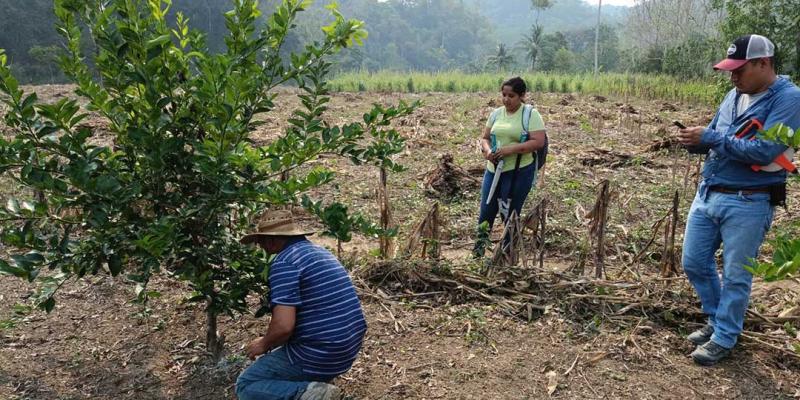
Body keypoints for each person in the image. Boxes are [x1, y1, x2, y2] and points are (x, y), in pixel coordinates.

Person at [676, 34, 800, 366]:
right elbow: (717, 136)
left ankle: (725, 337)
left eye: (739, 69)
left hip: (749, 200)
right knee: (693, 262)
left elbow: (765, 150)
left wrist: (712, 137)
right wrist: (695, 141)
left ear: (764, 64)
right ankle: (719, 322)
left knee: (735, 274)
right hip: (709, 192)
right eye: (730, 70)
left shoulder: (789, 100)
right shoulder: (733, 95)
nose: (733, 76)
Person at [236, 209, 367, 400]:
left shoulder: (285, 263)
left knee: (248, 384)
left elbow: (283, 327)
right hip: (347, 349)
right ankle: (313, 385)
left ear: (271, 240)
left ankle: (312, 393)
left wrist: (263, 344)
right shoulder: (320, 253)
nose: (260, 246)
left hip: (321, 353)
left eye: (260, 241)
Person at [473, 76, 547, 257]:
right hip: (493, 171)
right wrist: (488, 152)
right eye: (504, 95)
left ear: (522, 96)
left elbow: (538, 142)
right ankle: (478, 253)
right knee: (486, 211)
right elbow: (485, 138)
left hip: (519, 173)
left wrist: (509, 150)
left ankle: (507, 254)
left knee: (510, 213)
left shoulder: (531, 115)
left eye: (511, 96)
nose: (506, 100)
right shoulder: (496, 113)